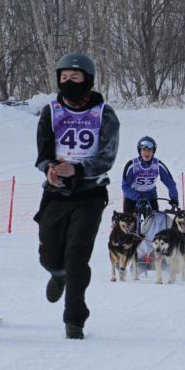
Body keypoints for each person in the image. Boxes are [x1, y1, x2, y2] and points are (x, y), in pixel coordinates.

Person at [34, 52, 119, 340]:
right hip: (56, 194)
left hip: (90, 194)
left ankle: (74, 319)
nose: (69, 82)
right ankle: (57, 275)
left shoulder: (104, 114)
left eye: (75, 77)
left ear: (88, 80)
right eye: (64, 78)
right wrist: (49, 168)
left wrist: (77, 169)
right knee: (49, 256)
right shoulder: (51, 111)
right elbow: (43, 154)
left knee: (77, 258)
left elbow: (107, 157)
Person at [121, 136, 179, 219]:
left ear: (153, 151)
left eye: (149, 150)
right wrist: (137, 197)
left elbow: (170, 183)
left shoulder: (158, 165)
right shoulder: (132, 165)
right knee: (129, 226)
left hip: (150, 197)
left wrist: (174, 199)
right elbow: (125, 186)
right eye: (144, 150)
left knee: (154, 225)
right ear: (140, 151)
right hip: (132, 199)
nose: (147, 152)